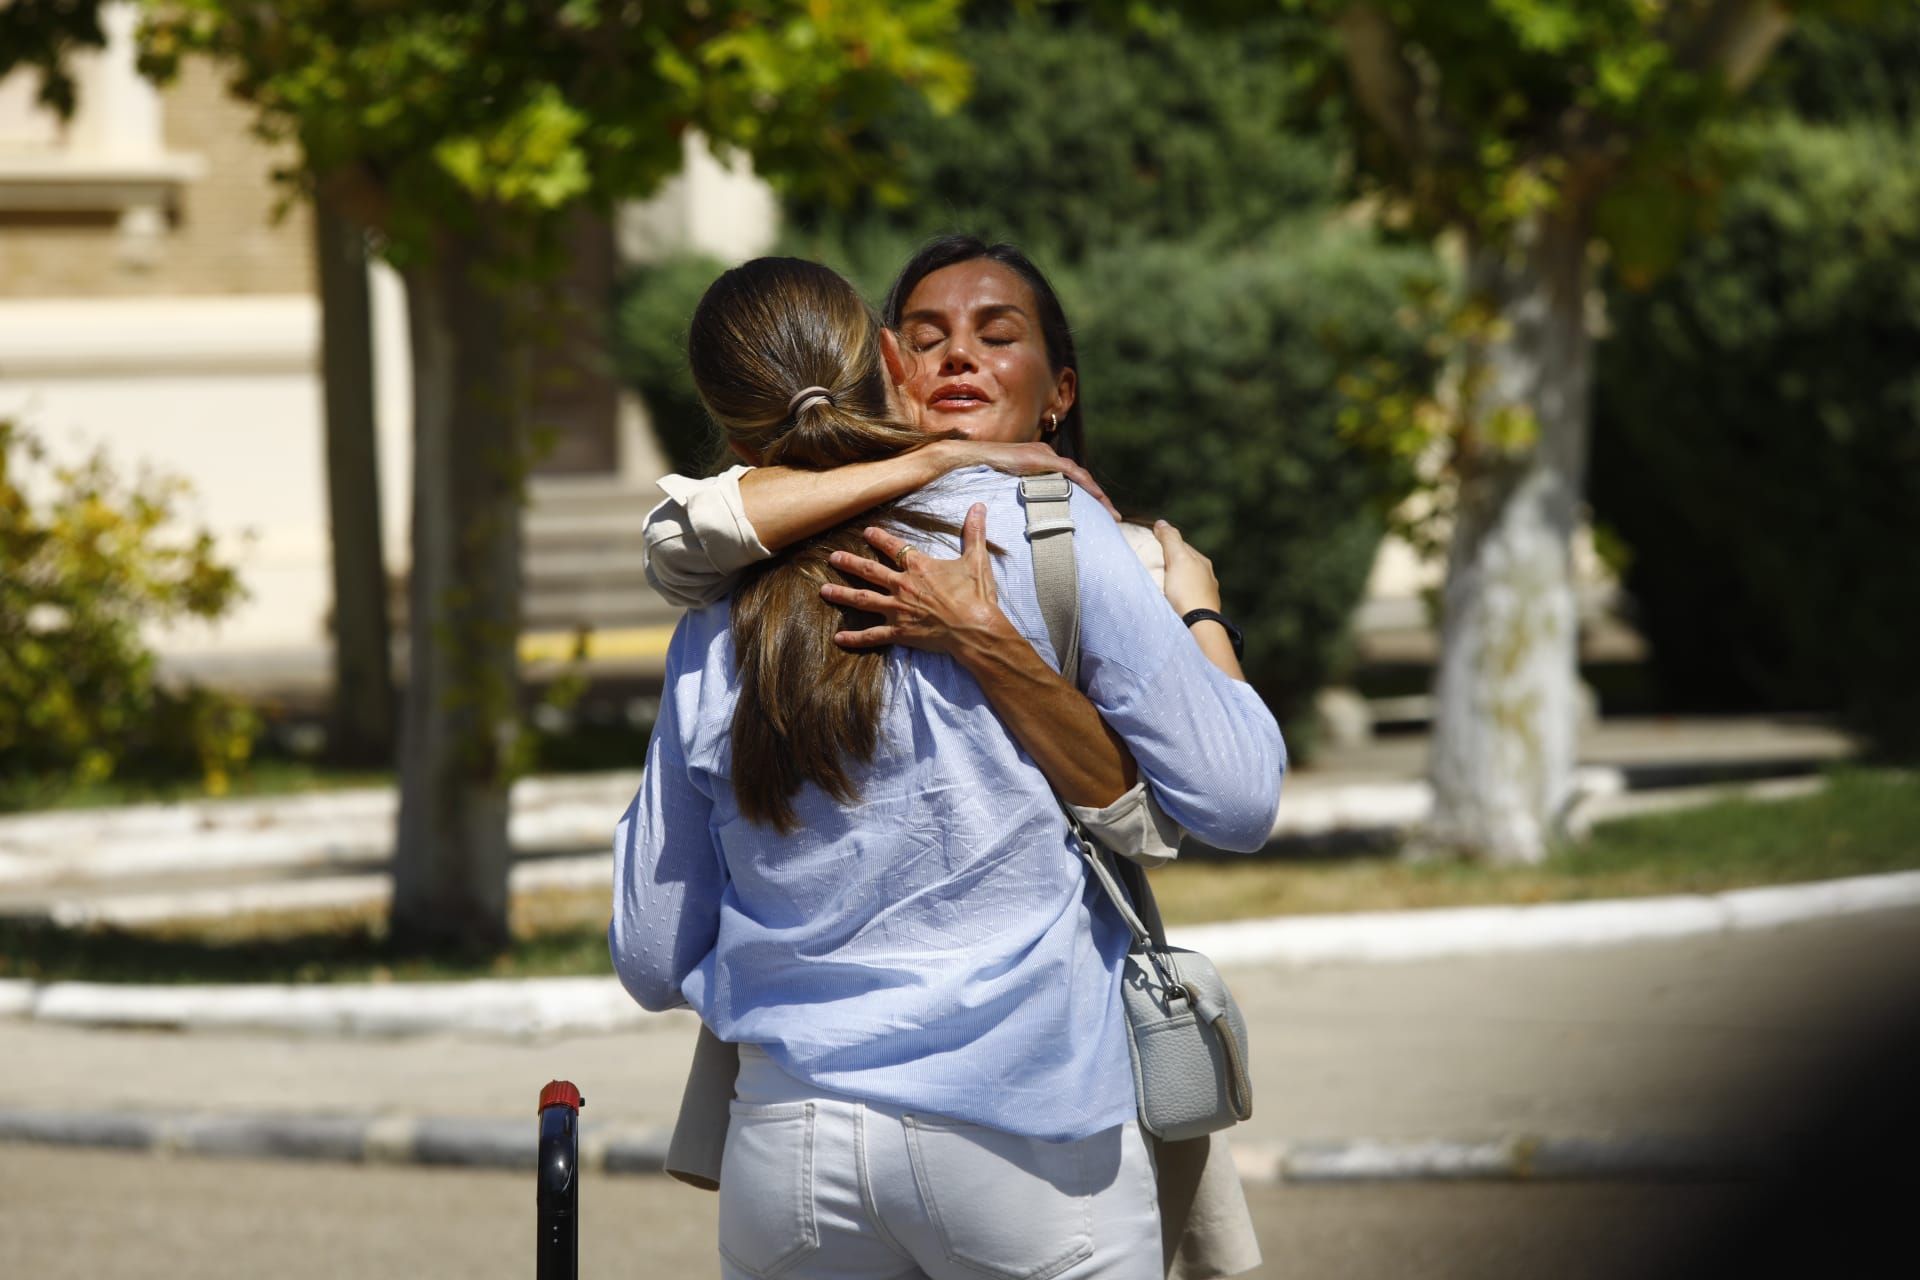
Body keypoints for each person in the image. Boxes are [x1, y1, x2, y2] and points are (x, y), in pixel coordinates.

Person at [610, 255, 1284, 1280]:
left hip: (788, 1149)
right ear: (888, 358)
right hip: (1026, 1131)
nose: (957, 355)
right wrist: (1196, 607)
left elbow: (653, 954)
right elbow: (1239, 799)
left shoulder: (714, 607)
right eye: (927, 336)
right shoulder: (1054, 532)